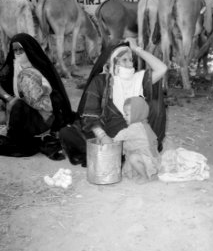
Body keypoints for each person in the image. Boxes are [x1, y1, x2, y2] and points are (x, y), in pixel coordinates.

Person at [59, 37, 167, 167]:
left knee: (154, 107)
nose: (130, 64)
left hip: (131, 135)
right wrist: (103, 137)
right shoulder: (100, 81)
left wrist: (137, 49)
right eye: (124, 60)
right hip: (106, 132)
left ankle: (120, 152)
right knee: (67, 133)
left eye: (131, 60)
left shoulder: (137, 80)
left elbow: (162, 69)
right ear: (113, 62)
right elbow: (90, 114)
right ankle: (116, 152)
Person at [0, 33, 75, 158]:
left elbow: (54, 98)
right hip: (18, 109)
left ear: (28, 49)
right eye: (15, 50)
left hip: (42, 116)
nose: (18, 53)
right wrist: (9, 98)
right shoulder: (12, 65)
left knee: (18, 106)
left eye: (21, 49)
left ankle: (19, 137)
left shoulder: (39, 65)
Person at [98, 96, 160, 183]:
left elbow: (116, 139)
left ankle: (145, 176)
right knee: (132, 158)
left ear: (136, 114)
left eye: (127, 114)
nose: (124, 116)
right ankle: (145, 171)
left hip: (146, 157)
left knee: (133, 158)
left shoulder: (133, 128)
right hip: (147, 156)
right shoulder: (143, 124)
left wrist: (106, 139)